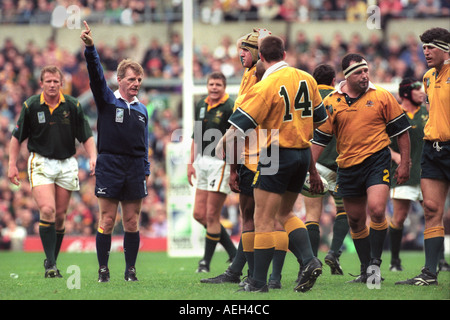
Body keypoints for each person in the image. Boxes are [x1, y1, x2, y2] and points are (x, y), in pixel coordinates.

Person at [217, 35, 328, 292]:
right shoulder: (307, 78)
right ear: (285, 54)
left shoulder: (265, 86)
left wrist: (221, 144)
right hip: (302, 153)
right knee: (285, 213)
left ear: (262, 58)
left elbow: (238, 127)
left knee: (263, 219)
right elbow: (321, 119)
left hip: (274, 152)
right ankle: (309, 260)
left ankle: (257, 283)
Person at [312, 53, 411, 283]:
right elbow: (319, 139)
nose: (365, 75)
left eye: (366, 70)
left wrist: (405, 163)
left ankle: (375, 265)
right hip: (347, 166)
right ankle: (366, 268)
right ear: (347, 75)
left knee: (377, 210)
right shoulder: (331, 102)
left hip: (377, 161)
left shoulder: (382, 96)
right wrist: (311, 170)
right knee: (355, 220)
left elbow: (402, 132)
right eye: (359, 72)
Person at [201, 29, 288, 289]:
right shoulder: (252, 74)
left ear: (259, 53)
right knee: (254, 214)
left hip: (263, 151)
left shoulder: (259, 75)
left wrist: (232, 165)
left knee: (268, 217)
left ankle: (274, 274)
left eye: (247, 49)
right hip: (261, 150)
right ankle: (244, 271)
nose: (241, 54)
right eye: (241, 49)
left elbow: (242, 125)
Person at [8, 65, 96, 278]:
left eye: (56, 81)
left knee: (59, 217)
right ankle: (51, 266)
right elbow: (16, 137)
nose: (52, 85)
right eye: (48, 81)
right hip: (41, 162)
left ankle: (51, 261)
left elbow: (85, 134)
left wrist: (93, 156)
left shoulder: (73, 105)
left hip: (66, 163)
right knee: (47, 210)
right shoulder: (31, 106)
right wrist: (11, 163)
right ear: (41, 83)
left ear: (61, 83)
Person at [81, 21, 150, 282]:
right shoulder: (107, 100)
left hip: (134, 167)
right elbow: (96, 76)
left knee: (131, 222)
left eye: (139, 79)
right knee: (107, 219)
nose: (136, 83)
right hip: (109, 165)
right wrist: (91, 50)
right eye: (131, 79)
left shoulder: (143, 110)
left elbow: (144, 145)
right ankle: (103, 269)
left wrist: (145, 170)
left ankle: (130, 270)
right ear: (119, 80)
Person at [396, 27, 450, 286]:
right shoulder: (427, 77)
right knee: (431, 209)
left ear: (446, 49)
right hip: (432, 150)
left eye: (431, 47)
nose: (425, 52)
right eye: (424, 47)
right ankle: (430, 273)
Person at [187, 71, 236, 273]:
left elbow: (234, 139)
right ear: (207, 85)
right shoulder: (201, 104)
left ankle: (205, 263)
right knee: (199, 214)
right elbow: (196, 136)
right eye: (211, 84)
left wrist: (234, 168)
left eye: (218, 84)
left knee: (212, 214)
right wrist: (190, 163)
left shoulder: (230, 106)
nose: (214, 87)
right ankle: (234, 253)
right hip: (202, 162)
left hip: (220, 163)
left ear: (224, 87)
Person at [303, 64, 349, 275]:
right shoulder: (340, 98)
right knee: (345, 211)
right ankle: (333, 253)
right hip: (340, 164)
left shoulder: (307, 99)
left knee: (312, 214)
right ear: (333, 81)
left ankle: (311, 263)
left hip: (315, 164)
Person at [388, 77, 427, 271]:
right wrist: (394, 155)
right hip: (403, 175)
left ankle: (438, 261)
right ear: (405, 93)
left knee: (433, 215)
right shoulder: (394, 114)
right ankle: (395, 261)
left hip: (428, 173)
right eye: (417, 89)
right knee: (399, 217)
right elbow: (379, 142)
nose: (422, 92)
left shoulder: (428, 112)